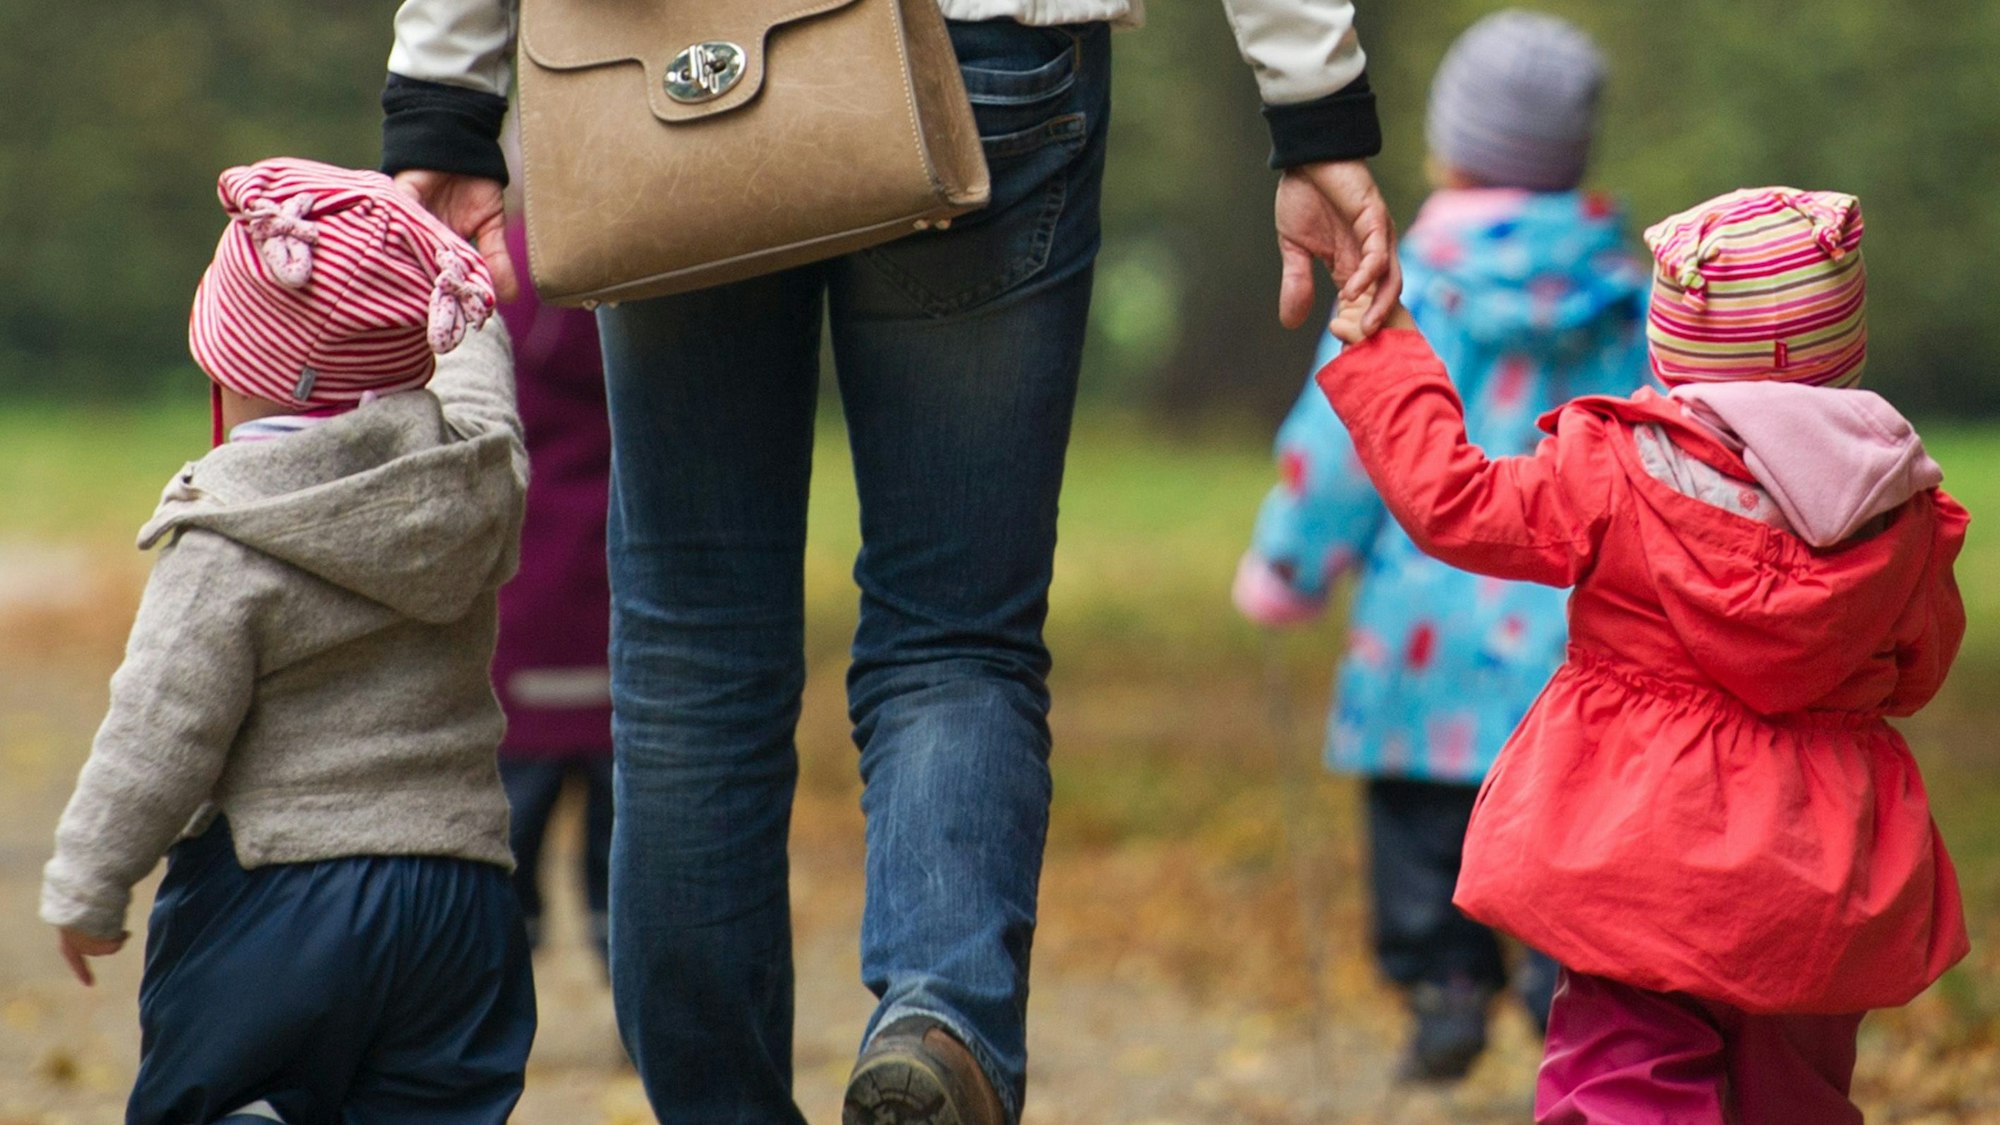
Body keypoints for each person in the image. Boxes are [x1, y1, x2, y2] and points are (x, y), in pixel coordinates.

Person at [379, 0, 1399, 1120]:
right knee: (956, 634)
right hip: (985, 54)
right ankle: (939, 1013)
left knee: (692, 649)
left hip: (670, 55)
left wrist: (443, 103)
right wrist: (1313, 106)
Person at [1316, 187, 1968, 1124]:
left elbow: (1454, 502)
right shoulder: (1897, 514)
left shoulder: (1618, 472)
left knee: (1624, 1088)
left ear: (1674, 348)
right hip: (1816, 873)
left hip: (1638, 851)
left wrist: (1382, 347)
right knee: (1797, 1098)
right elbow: (1920, 671)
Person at [39, 158, 536, 1123]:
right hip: (460, 898)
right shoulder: (474, 484)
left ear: (229, 367)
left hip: (278, 898)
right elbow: (488, 405)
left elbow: (161, 727)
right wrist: (448, 268)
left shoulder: (227, 533)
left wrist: (91, 877)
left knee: (224, 1097)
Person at [1233, 10, 1648, 1082]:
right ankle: (1563, 982)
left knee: (1422, 819)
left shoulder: (1406, 278)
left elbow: (1342, 443)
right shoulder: (1631, 291)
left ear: (1451, 145)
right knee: (1569, 826)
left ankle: (1442, 981)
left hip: (1426, 634)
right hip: (1579, 633)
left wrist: (1288, 562)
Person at [490, 212, 617, 973]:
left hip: (522, 605)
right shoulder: (647, 265)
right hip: (619, 591)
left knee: (503, 843)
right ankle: (646, 1001)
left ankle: (486, 997)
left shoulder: (497, 278)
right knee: (630, 843)